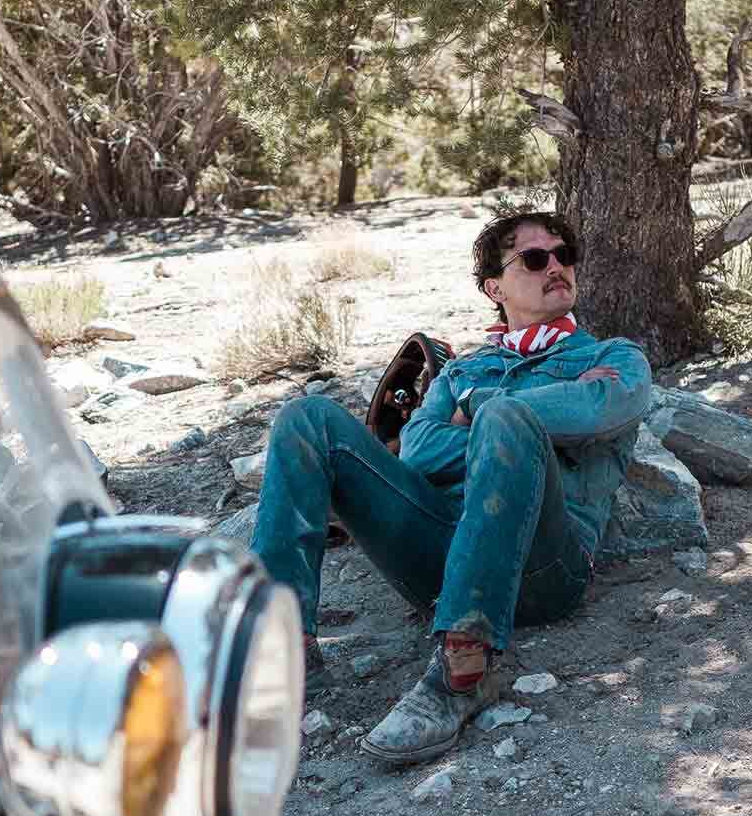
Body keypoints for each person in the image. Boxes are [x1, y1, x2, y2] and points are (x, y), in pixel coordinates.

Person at [249, 208, 652, 766]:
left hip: (545, 567)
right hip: (437, 554)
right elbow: (418, 449)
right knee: (307, 417)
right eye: (535, 259)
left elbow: (603, 408)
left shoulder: (613, 357)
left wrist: (488, 414)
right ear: (496, 288)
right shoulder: (464, 370)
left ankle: (465, 669)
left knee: (507, 419)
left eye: (564, 256)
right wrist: (523, 428)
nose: (556, 267)